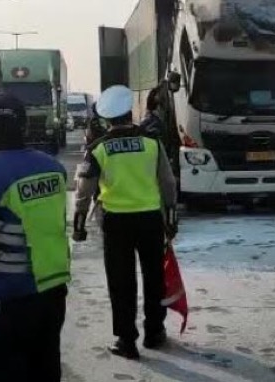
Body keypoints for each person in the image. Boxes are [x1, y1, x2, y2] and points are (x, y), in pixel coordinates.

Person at [0, 92, 70, 382]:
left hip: (7, 297)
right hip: (52, 293)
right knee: (44, 371)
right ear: (24, 124)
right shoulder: (54, 169)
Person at [74, 85, 178, 360]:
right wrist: (171, 216)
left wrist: (79, 222)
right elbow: (167, 182)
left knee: (121, 282)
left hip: (116, 222)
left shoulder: (99, 149)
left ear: (107, 119)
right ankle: (154, 332)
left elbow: (84, 189)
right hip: (150, 219)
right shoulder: (151, 143)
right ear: (131, 113)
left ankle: (126, 340)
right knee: (154, 277)